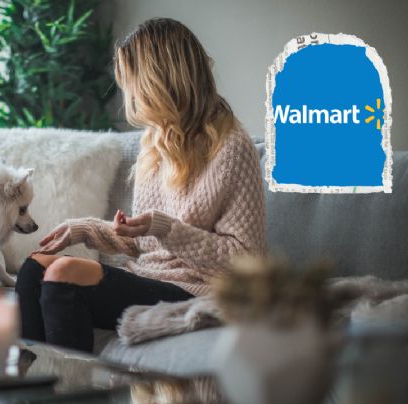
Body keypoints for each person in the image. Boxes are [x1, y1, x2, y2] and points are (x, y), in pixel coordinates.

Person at [15, 17, 266, 353]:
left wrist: (167, 229)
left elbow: (246, 260)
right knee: (34, 267)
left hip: (200, 290)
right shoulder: (155, 141)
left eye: (131, 81)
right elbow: (143, 242)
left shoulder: (231, 147)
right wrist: (86, 229)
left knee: (65, 273)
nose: (128, 92)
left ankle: (74, 392)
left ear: (158, 81)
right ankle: (30, 386)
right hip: (147, 276)